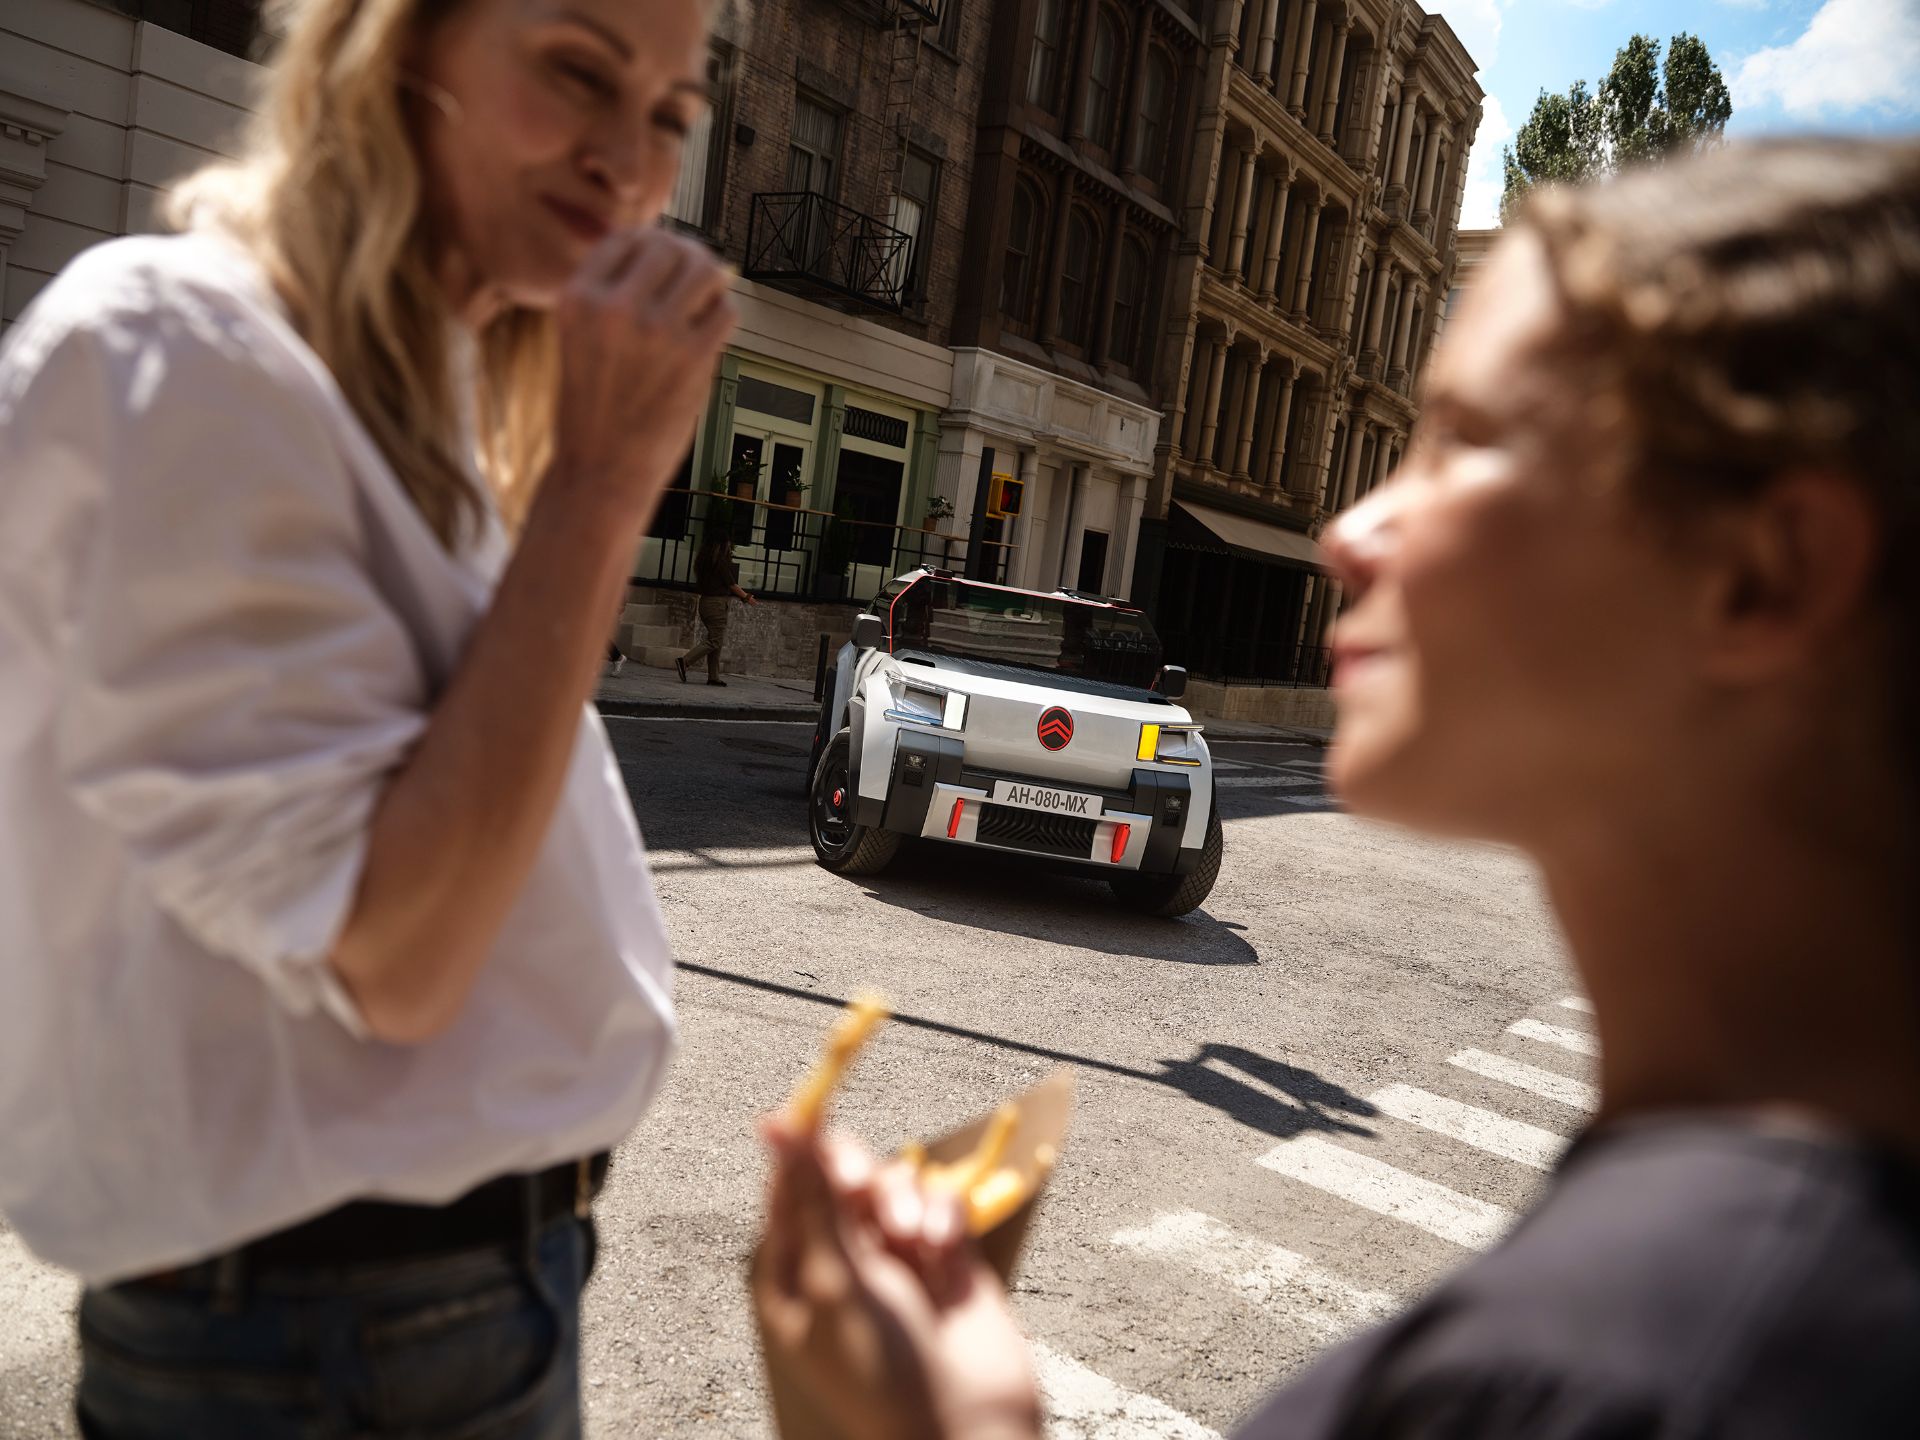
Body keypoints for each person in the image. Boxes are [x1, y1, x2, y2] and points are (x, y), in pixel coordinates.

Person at [752, 137, 1920, 1438]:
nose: (1349, 534)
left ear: (1767, 573)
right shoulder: (1798, 1281)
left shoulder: (1592, 1375)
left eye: (1467, 440)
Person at [0, 0, 734, 1435]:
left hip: (422, 1312)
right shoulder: (179, 347)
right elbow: (398, 951)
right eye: (578, 71)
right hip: (322, 1343)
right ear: (395, 50)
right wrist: (600, 484)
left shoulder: (406, 400)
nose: (628, 164)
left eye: (669, 115)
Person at [676, 533, 758, 685]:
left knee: (715, 639)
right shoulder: (720, 562)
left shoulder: (704, 562)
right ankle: (685, 661)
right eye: (728, 543)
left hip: (705, 603)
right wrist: (747, 598)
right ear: (722, 545)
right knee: (714, 640)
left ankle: (713, 677)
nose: (729, 546)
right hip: (717, 605)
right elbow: (732, 585)